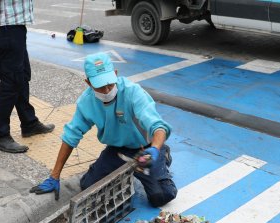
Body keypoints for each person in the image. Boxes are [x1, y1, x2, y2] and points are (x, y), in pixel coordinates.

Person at [30, 52, 177, 207]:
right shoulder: (86, 102)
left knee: (161, 196)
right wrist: (55, 176)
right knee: (88, 187)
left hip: (146, 150)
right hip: (117, 150)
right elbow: (71, 136)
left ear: (115, 74)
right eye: (100, 86)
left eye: (110, 84)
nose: (106, 91)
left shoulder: (133, 92)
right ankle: (129, 169)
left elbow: (158, 126)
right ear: (88, 83)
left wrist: (154, 148)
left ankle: (163, 154)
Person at [0, 0, 54, 153]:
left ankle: (29, 123)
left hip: (12, 24)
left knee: (22, 75)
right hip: (4, 25)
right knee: (11, 81)